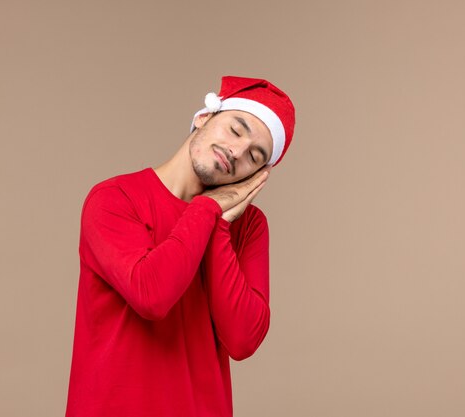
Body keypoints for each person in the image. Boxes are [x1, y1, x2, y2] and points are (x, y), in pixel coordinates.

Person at [64, 75, 296, 417]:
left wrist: (218, 223)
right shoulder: (114, 199)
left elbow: (243, 338)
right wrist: (207, 208)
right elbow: (152, 294)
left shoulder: (248, 227)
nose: (236, 152)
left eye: (255, 156)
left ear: (257, 175)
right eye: (235, 130)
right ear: (204, 117)